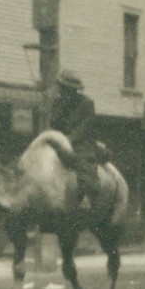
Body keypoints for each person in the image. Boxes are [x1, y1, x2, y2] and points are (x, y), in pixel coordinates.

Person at [49, 68, 99, 205]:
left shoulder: (87, 103)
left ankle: (86, 195)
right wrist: (61, 109)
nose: (61, 91)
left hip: (80, 142)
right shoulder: (58, 103)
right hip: (59, 139)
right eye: (61, 87)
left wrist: (69, 139)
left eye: (65, 88)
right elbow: (53, 122)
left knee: (83, 160)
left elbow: (84, 128)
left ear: (73, 90)